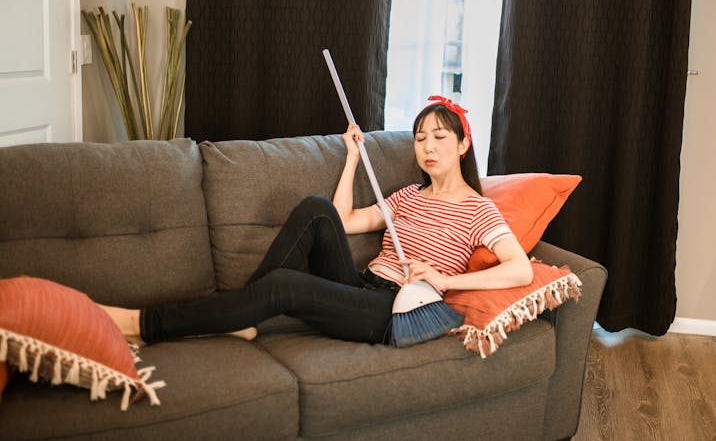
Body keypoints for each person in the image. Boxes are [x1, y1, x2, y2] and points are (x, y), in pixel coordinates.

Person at [101, 97, 533, 347]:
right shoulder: (405, 196)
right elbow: (342, 222)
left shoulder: (478, 209)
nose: (428, 147)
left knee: (282, 287)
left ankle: (142, 324)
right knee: (315, 208)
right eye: (421, 138)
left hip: (394, 310)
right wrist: (350, 158)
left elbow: (520, 268)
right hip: (362, 285)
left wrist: (444, 279)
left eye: (440, 137)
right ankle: (241, 315)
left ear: (463, 145)